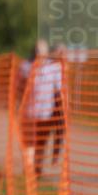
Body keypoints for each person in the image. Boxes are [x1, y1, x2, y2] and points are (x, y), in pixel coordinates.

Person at [18, 39, 63, 178]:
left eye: (42, 51)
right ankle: (30, 169)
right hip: (28, 113)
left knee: (41, 144)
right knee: (29, 143)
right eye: (37, 51)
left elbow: (59, 91)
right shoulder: (25, 66)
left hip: (45, 113)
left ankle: (37, 169)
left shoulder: (54, 68)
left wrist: (62, 109)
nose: (39, 54)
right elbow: (18, 88)